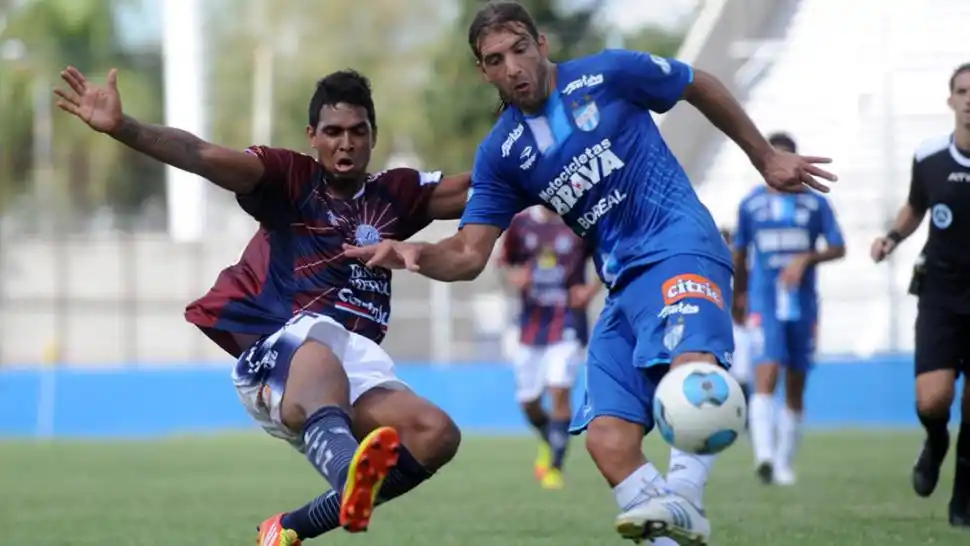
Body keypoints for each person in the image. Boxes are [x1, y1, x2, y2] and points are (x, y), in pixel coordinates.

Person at [344, 2, 837, 544]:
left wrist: (763, 156)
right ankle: (672, 533)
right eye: (496, 59)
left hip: (680, 248)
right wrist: (416, 255)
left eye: (520, 50)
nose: (513, 67)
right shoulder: (503, 154)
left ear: (542, 45)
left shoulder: (610, 74)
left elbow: (698, 82)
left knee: (693, 375)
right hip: (623, 286)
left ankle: (687, 500)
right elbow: (468, 252)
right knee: (606, 439)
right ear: (483, 71)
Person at [54, 66, 470, 544]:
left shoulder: (394, 193)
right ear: (312, 136)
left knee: (435, 433)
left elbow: (481, 188)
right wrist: (124, 127)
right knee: (320, 348)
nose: (346, 143)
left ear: (373, 135)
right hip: (281, 354)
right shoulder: (289, 178)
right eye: (333, 132)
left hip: (356, 364)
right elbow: (199, 153)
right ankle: (346, 472)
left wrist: (538, 159)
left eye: (358, 132)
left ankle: (289, 528)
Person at [870, 63, 970, 528]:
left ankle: (962, 501)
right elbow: (916, 206)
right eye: (962, 91)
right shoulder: (930, 156)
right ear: (950, 99)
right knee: (933, 401)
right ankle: (935, 441)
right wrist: (891, 237)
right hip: (941, 295)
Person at [731, 132, 846, 487]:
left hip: (804, 304)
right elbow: (739, 253)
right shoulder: (751, 205)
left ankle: (784, 464)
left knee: (796, 384)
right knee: (766, 375)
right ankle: (764, 456)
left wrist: (807, 258)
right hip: (765, 303)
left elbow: (839, 247)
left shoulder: (814, 204)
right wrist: (740, 294)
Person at [497, 205, 599, 489]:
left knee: (559, 390)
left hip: (568, 322)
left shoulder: (580, 221)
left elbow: (610, 258)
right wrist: (512, 277)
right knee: (528, 402)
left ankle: (555, 466)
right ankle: (548, 438)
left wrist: (590, 289)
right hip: (531, 326)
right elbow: (503, 263)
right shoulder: (521, 223)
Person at [721, 227, 753, 407]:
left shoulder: (742, 269)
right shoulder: (711, 266)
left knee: (741, 372)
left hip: (738, 325)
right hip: (720, 322)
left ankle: (744, 411)